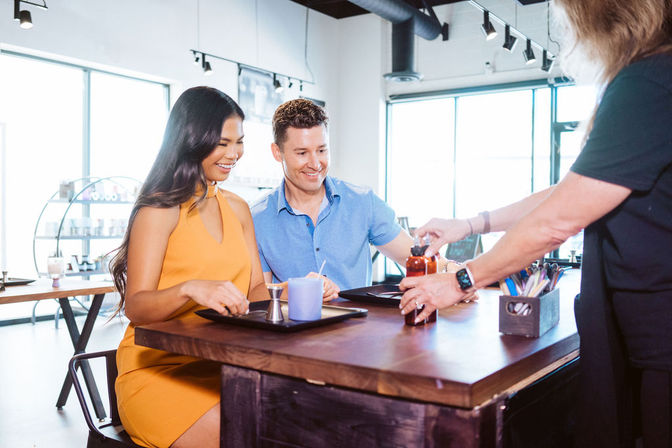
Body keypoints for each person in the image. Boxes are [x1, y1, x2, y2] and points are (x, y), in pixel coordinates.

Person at [400, 1, 672, 446]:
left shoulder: (648, 80)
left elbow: (558, 219)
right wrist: (469, 225)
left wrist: (460, 281)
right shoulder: (656, 76)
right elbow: (571, 192)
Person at [109, 87, 268, 448]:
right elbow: (137, 306)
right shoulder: (158, 211)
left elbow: (255, 290)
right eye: (223, 143)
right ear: (193, 141)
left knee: (291, 415)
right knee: (238, 432)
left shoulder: (239, 208)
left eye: (239, 142)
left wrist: (283, 293)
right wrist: (187, 288)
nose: (234, 154)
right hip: (158, 371)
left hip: (223, 363)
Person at [251, 98, 413, 298]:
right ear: (277, 152)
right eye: (302, 153)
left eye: (322, 150)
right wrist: (297, 288)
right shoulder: (257, 218)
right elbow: (255, 294)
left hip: (357, 328)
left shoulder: (363, 202)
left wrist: (453, 274)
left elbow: (416, 258)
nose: (315, 163)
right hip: (293, 327)